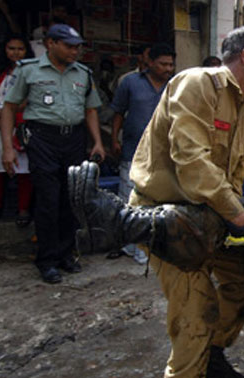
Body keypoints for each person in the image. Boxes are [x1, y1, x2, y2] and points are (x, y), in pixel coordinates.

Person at [125, 26, 244, 378]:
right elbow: (191, 162)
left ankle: (212, 355)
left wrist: (236, 213)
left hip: (210, 214)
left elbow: (236, 171)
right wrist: (236, 213)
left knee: (242, 281)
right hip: (166, 215)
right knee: (197, 302)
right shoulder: (197, 84)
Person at [1, 23, 105, 284]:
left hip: (74, 139)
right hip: (42, 140)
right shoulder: (29, 71)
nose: (75, 52)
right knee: (48, 200)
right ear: (51, 44)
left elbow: (91, 110)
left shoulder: (82, 73)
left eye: (78, 47)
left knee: (71, 199)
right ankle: (47, 260)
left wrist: (97, 142)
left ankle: (66, 254)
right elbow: (9, 108)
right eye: (69, 46)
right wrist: (6, 148)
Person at [109, 42, 175, 264]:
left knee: (155, 200)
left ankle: (145, 247)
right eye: (163, 64)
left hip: (164, 154)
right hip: (132, 149)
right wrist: (114, 139)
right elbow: (118, 112)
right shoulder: (130, 83)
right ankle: (125, 244)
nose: (168, 68)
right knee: (128, 198)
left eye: (171, 64)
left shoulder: (175, 86)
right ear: (150, 62)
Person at [0, 34, 34, 225]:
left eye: (20, 49)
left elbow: (29, 99)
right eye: (11, 48)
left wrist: (2, 115)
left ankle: (23, 209)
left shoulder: (32, 71)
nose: (15, 53)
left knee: (24, 169)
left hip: (21, 124)